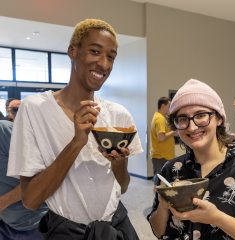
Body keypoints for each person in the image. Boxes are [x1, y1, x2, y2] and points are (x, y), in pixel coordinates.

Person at [7, 18, 143, 240]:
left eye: (111, 56)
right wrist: (76, 142)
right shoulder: (35, 109)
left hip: (116, 227)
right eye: (95, 51)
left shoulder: (119, 115)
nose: (104, 64)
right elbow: (30, 199)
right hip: (67, 232)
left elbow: (124, 186)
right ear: (73, 51)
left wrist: (119, 166)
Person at [147, 79, 235, 240]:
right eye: (183, 119)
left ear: (219, 118)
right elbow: (158, 231)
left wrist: (216, 218)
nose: (192, 127)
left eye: (201, 115)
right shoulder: (171, 170)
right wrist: (163, 205)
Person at [0, 99, 48, 240]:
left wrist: (4, 201)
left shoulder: (4, 131)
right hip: (7, 223)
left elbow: (43, 175)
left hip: (34, 223)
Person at [150, 97, 176, 180]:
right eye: (169, 105)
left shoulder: (160, 117)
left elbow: (164, 134)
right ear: (162, 106)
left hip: (163, 156)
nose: (170, 108)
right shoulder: (160, 119)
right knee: (160, 181)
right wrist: (174, 132)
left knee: (163, 180)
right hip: (161, 157)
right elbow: (161, 137)